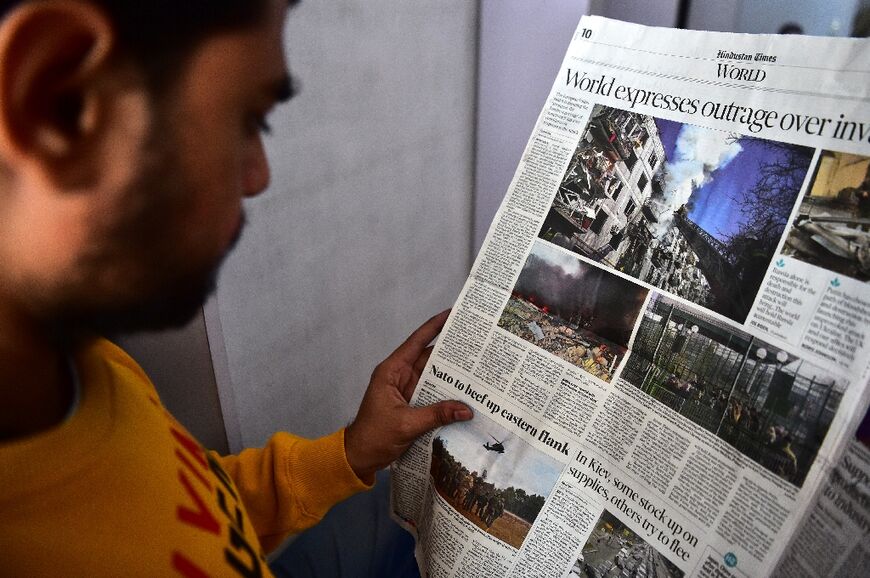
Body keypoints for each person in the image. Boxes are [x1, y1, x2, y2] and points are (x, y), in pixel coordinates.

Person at [0, 1, 472, 576]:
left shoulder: (88, 365)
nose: (259, 176)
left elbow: (185, 506)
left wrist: (351, 451)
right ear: (53, 98)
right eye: (249, 120)